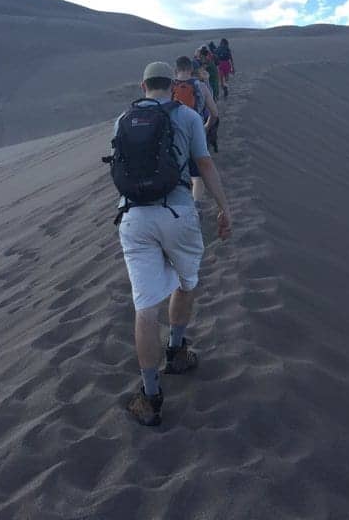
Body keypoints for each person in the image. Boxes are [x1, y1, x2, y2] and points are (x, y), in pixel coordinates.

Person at [114, 61, 231, 427]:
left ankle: (150, 396)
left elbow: (118, 170)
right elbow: (204, 165)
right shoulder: (189, 117)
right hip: (178, 212)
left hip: (133, 218)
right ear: (173, 84)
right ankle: (176, 351)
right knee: (185, 282)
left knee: (145, 307)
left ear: (143, 84)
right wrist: (223, 207)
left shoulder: (122, 120)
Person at [174, 56, 218, 204]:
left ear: (176, 69)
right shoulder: (201, 86)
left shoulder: (169, 87)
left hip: (174, 136)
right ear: (191, 69)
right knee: (197, 176)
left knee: (176, 172)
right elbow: (215, 113)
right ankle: (195, 205)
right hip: (196, 132)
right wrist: (206, 126)